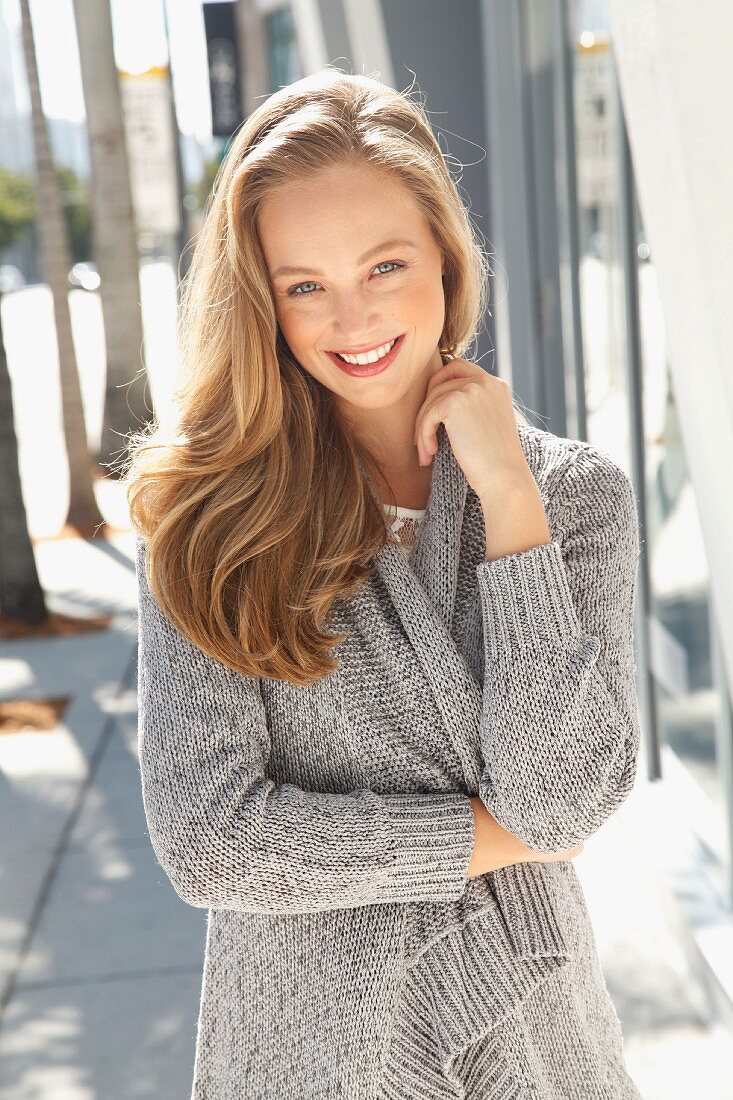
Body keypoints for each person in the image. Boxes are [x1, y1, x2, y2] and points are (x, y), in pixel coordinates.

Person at [124, 67, 643, 1099]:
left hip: (539, 1048)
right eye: (304, 283)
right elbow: (211, 840)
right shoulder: (205, 518)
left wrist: (508, 500)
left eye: (385, 264)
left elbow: (562, 791)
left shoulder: (574, 497)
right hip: (311, 1054)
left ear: (446, 260)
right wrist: (481, 835)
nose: (350, 318)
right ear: (261, 300)